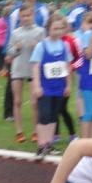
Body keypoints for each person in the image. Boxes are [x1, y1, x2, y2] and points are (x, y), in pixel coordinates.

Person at [2, 0, 51, 122]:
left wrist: (44, 47)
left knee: (38, 81)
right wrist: (8, 53)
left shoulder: (43, 9)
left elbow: (46, 30)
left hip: (36, 50)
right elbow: (10, 32)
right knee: (13, 81)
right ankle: (9, 112)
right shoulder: (16, 11)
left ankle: (40, 112)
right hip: (19, 51)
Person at [30, 13, 72, 158]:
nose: (58, 31)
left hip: (59, 86)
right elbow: (35, 67)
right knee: (44, 115)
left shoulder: (65, 45)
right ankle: (41, 145)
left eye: (61, 28)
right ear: (48, 28)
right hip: (45, 87)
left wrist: (68, 85)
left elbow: (67, 66)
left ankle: (49, 144)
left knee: (54, 116)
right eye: (55, 28)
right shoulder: (41, 46)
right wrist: (36, 86)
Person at [6, 4, 45, 143]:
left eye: (28, 15)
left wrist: (37, 47)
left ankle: (36, 131)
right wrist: (16, 48)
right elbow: (9, 52)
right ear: (20, 17)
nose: (26, 18)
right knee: (17, 101)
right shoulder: (16, 33)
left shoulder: (40, 31)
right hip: (18, 69)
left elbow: (45, 50)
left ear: (33, 15)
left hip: (33, 70)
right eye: (23, 16)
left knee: (35, 103)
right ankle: (19, 132)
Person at [77, 12, 92, 139]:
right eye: (90, 22)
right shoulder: (87, 35)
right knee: (90, 111)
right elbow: (89, 55)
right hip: (88, 80)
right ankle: (84, 140)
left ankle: (91, 140)